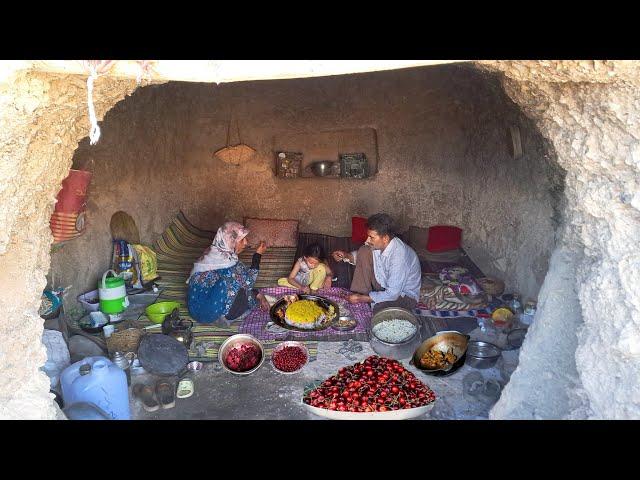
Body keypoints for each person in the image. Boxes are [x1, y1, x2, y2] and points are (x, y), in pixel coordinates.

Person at [331, 213, 421, 314]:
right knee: (364, 250)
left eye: (371, 237)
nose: (367, 240)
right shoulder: (380, 245)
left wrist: (363, 299)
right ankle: (359, 294)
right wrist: (346, 256)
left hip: (403, 295)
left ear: (385, 238)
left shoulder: (400, 256)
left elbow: (393, 294)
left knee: (379, 310)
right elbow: (364, 255)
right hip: (383, 284)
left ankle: (360, 299)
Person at [187, 221, 269, 324]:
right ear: (231, 241)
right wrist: (258, 255)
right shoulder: (231, 266)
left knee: (235, 282)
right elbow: (249, 282)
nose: (246, 242)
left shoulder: (209, 255)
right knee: (245, 291)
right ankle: (224, 317)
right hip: (213, 314)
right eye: (242, 239)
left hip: (195, 308)